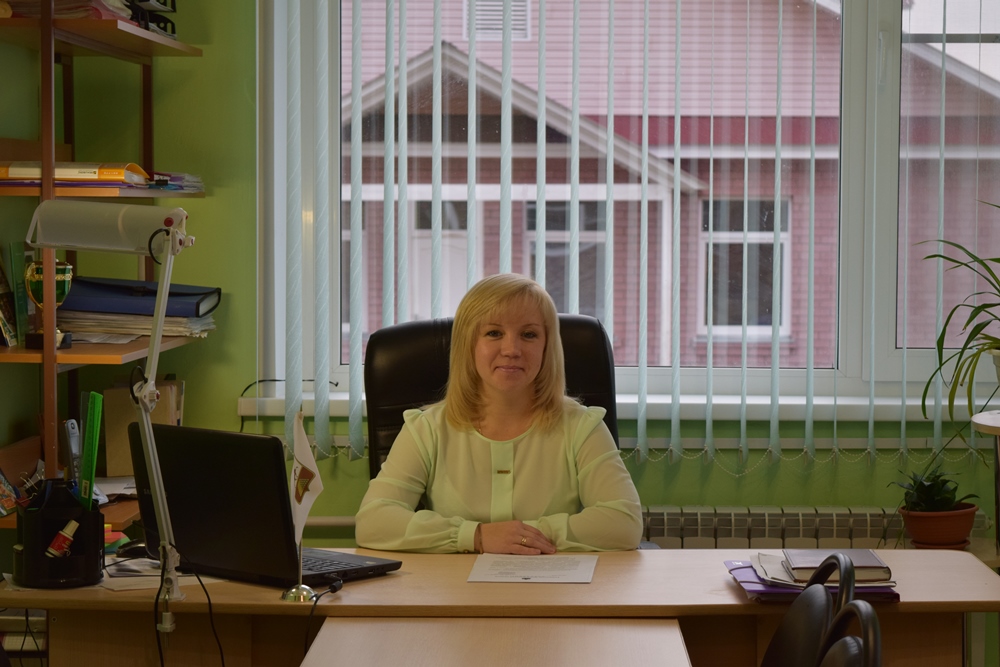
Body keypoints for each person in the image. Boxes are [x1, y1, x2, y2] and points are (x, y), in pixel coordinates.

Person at [355, 273, 643, 553]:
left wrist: (524, 536)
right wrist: (476, 536)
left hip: (548, 582)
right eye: (494, 333)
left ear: (547, 347)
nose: (511, 349)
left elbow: (624, 523)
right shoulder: (427, 429)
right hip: (454, 584)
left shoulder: (582, 426)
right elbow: (373, 521)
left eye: (529, 335)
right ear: (469, 344)